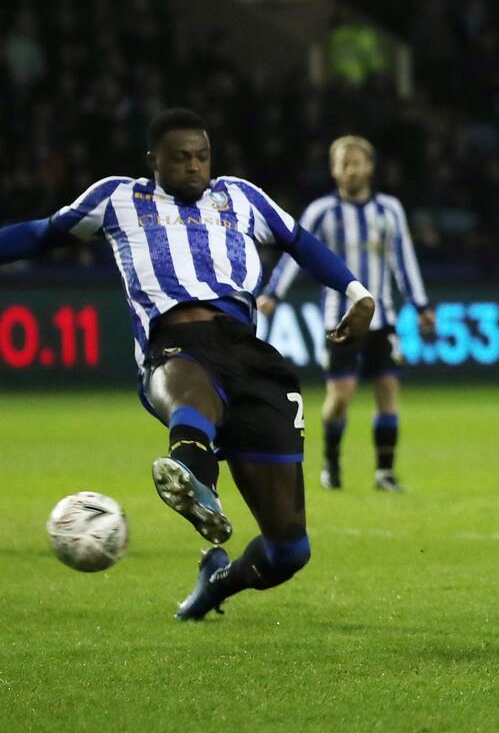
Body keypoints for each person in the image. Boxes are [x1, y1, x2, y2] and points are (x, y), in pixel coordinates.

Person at [0, 108, 375, 619]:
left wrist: (356, 292)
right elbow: (41, 233)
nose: (195, 166)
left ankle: (216, 582)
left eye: (202, 156)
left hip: (248, 352)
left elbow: (299, 240)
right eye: (181, 158)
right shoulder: (118, 198)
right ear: (153, 160)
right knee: (191, 383)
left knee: (290, 548)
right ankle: (195, 475)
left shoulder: (241, 196)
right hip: (173, 340)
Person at [259, 136, 434, 492]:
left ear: (370, 167)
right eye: (345, 163)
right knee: (341, 396)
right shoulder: (321, 211)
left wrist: (420, 305)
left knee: (387, 389)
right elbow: (297, 252)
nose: (352, 169)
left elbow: (404, 260)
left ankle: (384, 472)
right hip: (339, 319)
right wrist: (274, 293)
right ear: (334, 170)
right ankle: (331, 464)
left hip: (382, 319)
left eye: (358, 162)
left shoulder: (390, 210)